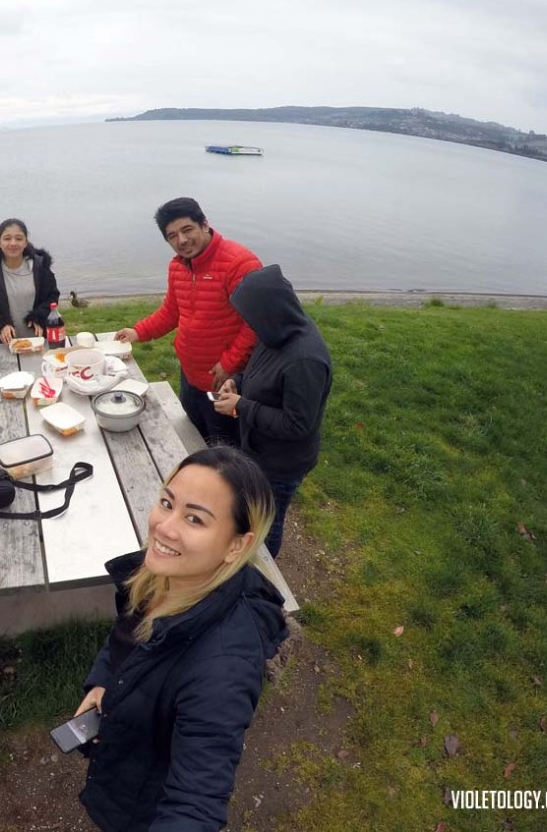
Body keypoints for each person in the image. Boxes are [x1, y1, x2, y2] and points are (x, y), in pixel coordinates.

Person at [74, 446, 287, 832]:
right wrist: (102, 681)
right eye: (166, 503)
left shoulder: (223, 669)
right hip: (126, 757)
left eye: (194, 518)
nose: (164, 527)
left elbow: (197, 800)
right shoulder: (161, 576)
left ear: (237, 545)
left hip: (144, 805)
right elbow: (125, 638)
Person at [115, 197, 262, 446]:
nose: (181, 241)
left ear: (204, 224)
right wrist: (137, 332)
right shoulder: (178, 267)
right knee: (194, 435)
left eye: (187, 229)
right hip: (190, 375)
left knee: (224, 446)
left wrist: (229, 363)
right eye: (172, 236)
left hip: (224, 380)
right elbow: (172, 311)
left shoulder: (239, 263)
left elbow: (256, 323)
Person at [211, 265, 332, 558]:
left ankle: (265, 574)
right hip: (258, 448)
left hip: (282, 462)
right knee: (253, 508)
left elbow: (296, 424)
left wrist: (241, 406)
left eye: (250, 316)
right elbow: (259, 370)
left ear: (270, 310)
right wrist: (236, 381)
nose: (247, 323)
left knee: (268, 520)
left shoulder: (305, 360)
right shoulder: (275, 330)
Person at [0, 218, 60, 346]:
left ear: (25, 242)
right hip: (3, 344)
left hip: (38, 341)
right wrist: (0, 324)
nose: (13, 243)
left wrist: (39, 317)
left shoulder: (41, 268)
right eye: (7, 238)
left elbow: (52, 297)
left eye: (18, 238)